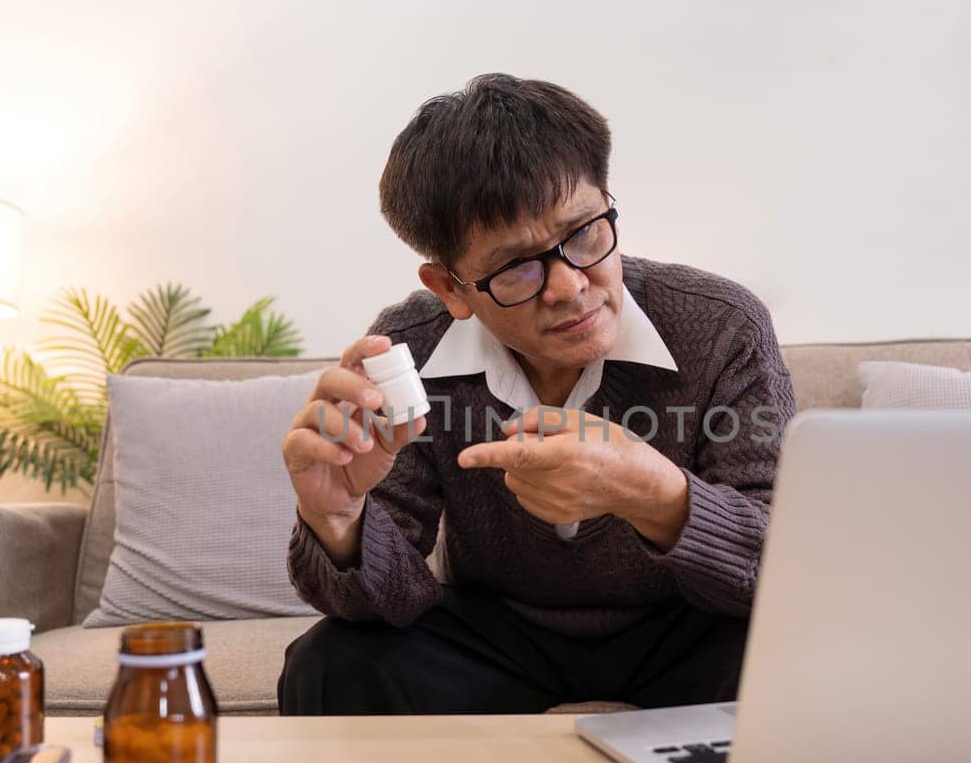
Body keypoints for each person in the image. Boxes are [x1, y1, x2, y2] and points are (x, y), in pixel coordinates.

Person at [277, 73, 796, 715]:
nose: (569, 286)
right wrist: (339, 521)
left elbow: (786, 566)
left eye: (584, 234)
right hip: (501, 633)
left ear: (608, 202)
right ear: (451, 289)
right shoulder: (405, 352)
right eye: (516, 267)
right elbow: (391, 602)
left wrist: (656, 496)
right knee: (329, 664)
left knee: (806, 650)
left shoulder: (721, 327)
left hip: (687, 625)